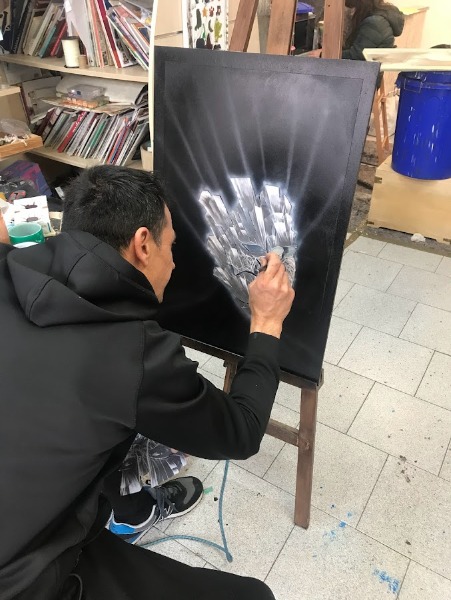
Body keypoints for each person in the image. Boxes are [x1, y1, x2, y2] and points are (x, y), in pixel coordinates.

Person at [0, 165, 295, 599]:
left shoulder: (8, 268)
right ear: (142, 244)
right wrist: (267, 323)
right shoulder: (133, 353)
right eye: (170, 246)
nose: (173, 262)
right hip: (27, 577)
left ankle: (132, 510)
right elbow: (242, 431)